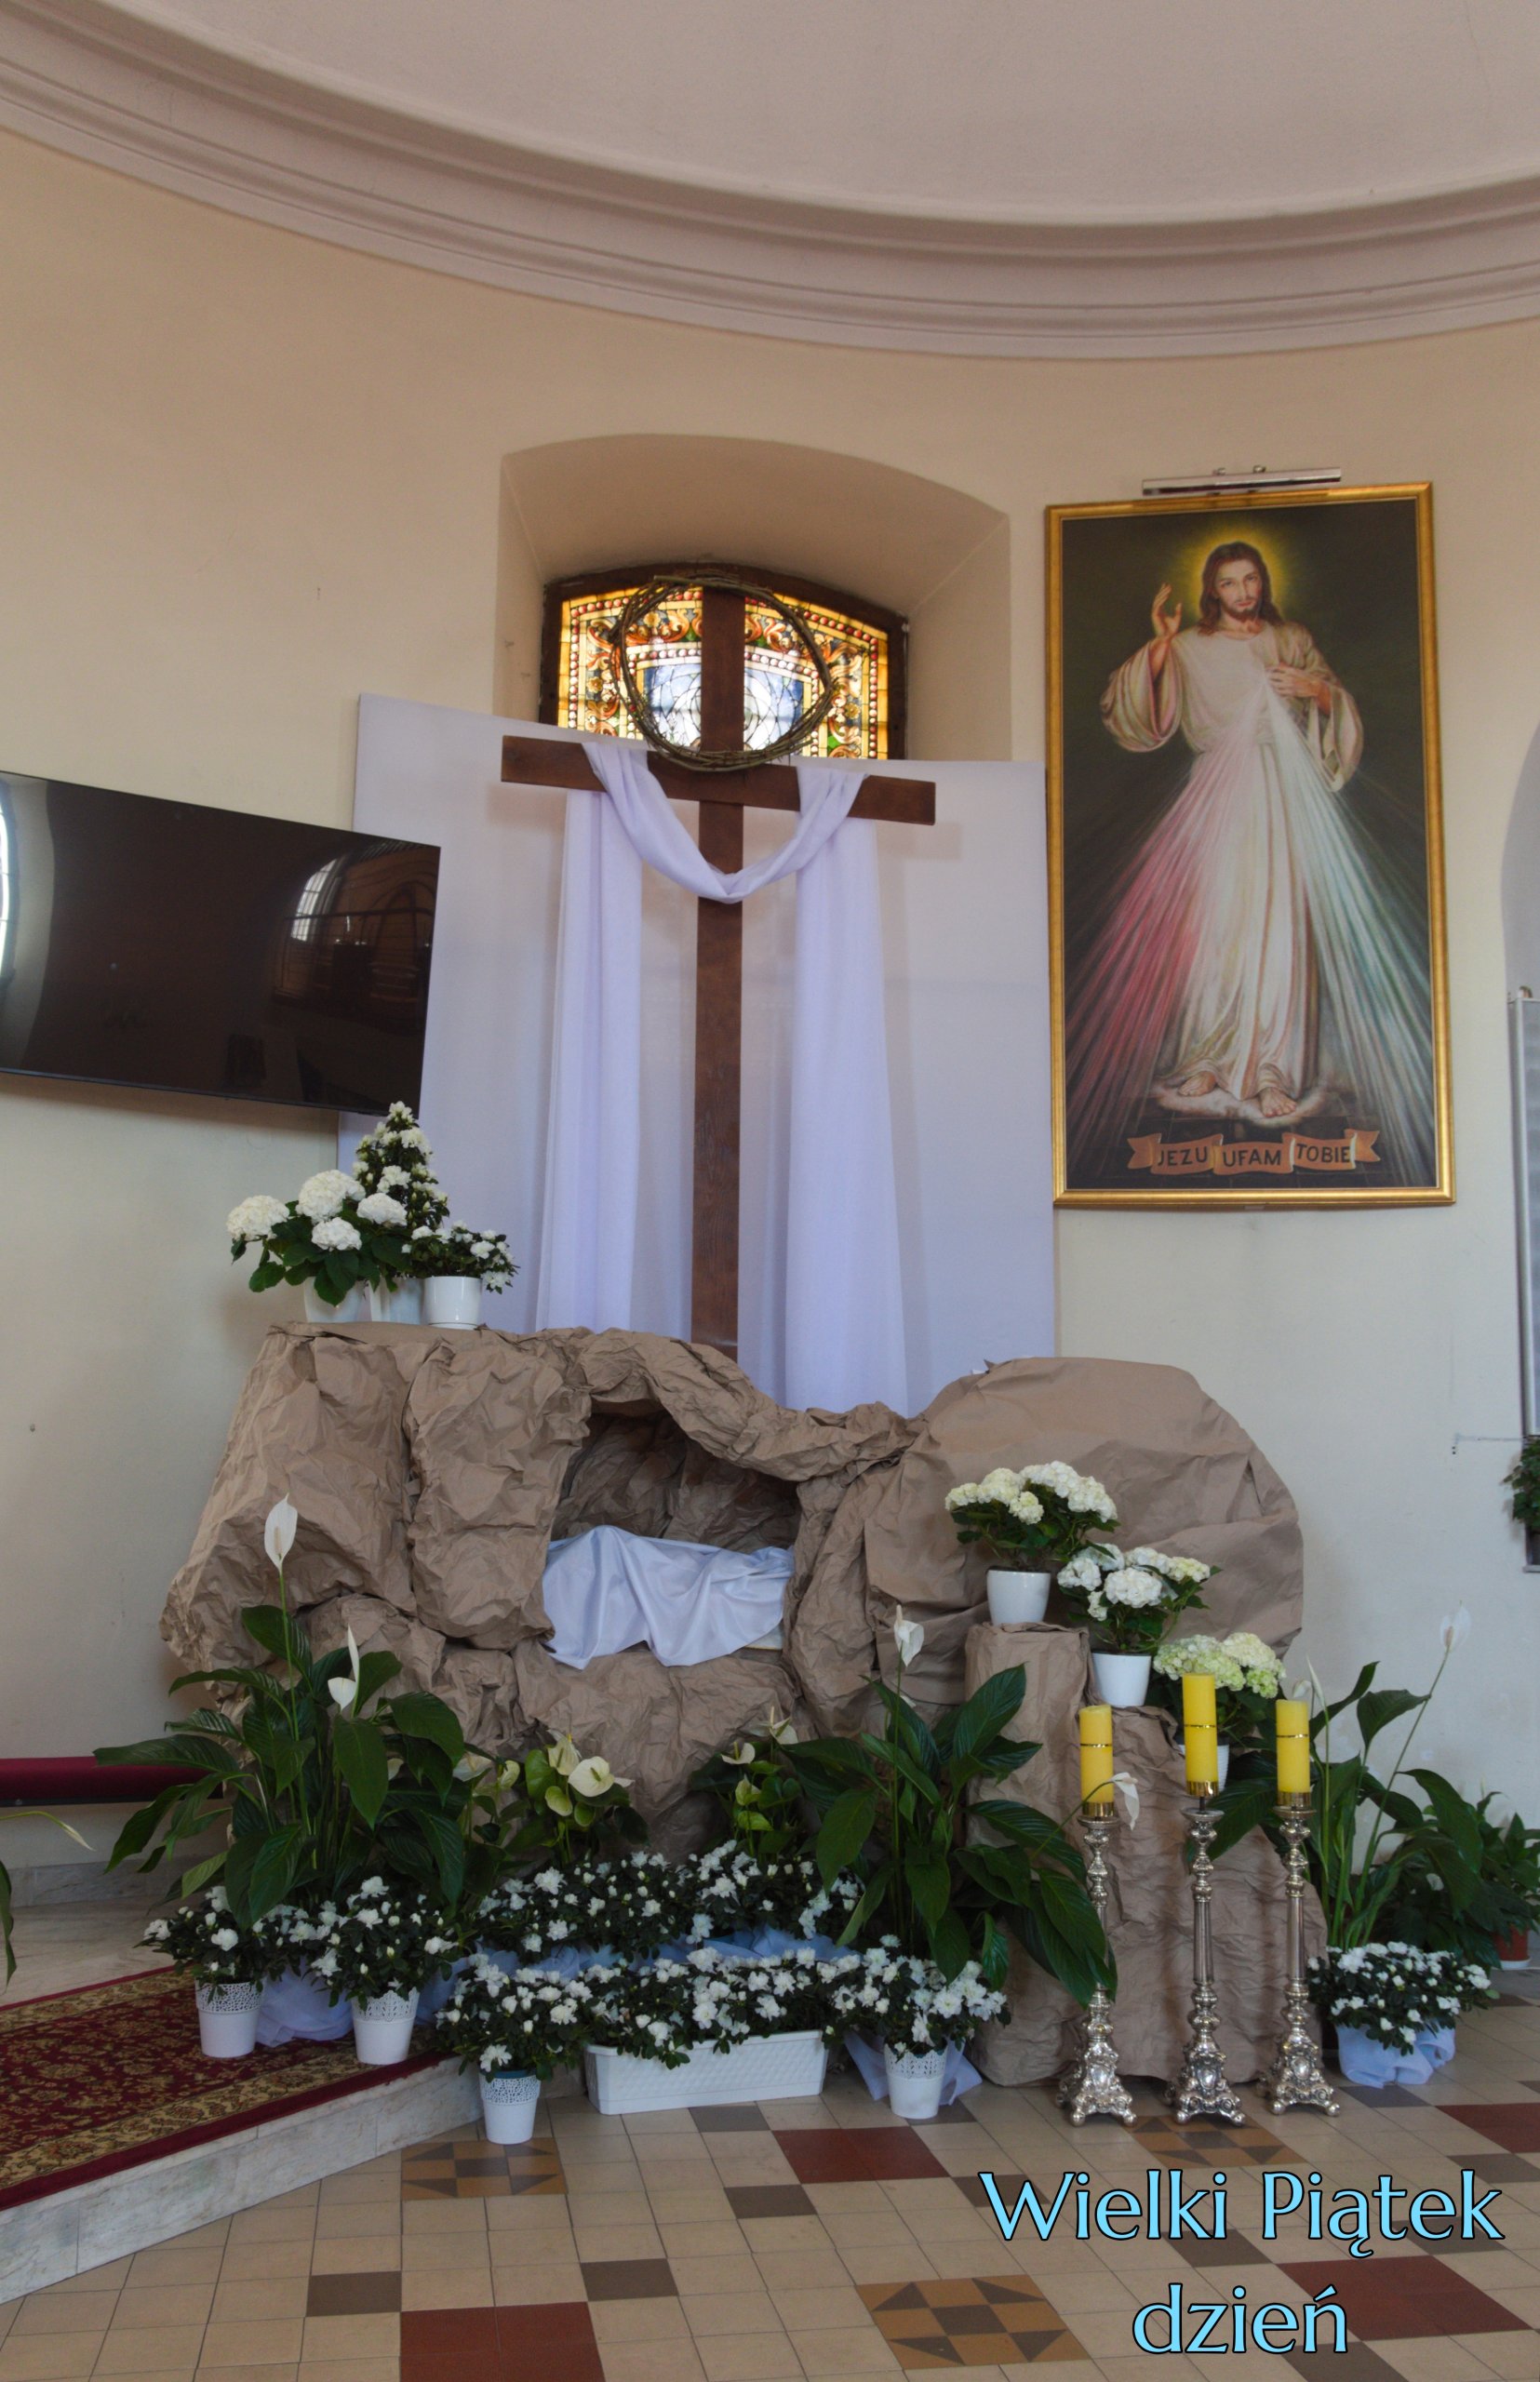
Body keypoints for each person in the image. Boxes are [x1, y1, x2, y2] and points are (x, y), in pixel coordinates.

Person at [1068, 540, 1433, 1181]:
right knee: (1216, 928)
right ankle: (1207, 1058)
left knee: (1278, 930)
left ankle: (1272, 1069)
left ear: (1263, 581)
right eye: (1230, 582)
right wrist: (1160, 645)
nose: (1243, 592)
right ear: (1213, 590)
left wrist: (1315, 690)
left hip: (1280, 795)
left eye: (1251, 579)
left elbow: (1336, 711)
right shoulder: (1189, 646)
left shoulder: (1291, 639)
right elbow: (1136, 719)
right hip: (1216, 797)